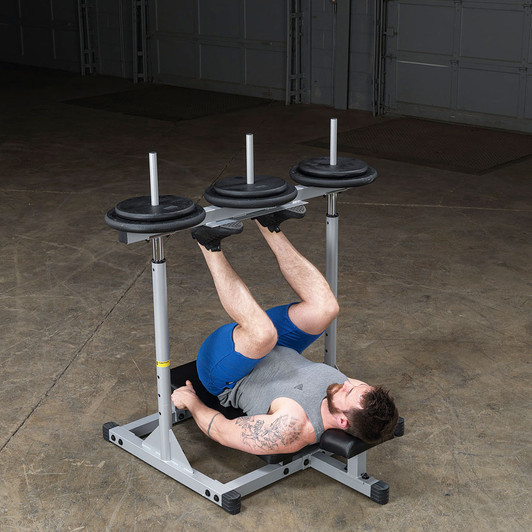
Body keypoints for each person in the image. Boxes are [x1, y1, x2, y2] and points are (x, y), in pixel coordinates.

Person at [171, 208, 398, 456]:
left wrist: (191, 402)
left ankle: (208, 243)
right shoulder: (350, 399)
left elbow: (222, 431)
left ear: (342, 422)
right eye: (359, 384)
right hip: (277, 347)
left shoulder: (290, 428)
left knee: (262, 334)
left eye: (350, 391)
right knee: (326, 308)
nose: (348, 382)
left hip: (223, 372)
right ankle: (268, 224)